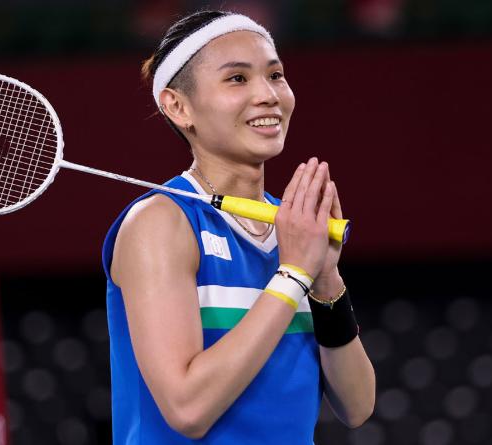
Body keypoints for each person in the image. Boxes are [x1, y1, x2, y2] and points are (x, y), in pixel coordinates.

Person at [102, 10, 375, 444]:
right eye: (237, 79)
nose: (268, 95)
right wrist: (293, 276)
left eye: (276, 75)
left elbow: (358, 407)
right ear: (178, 106)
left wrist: (325, 281)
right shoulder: (161, 223)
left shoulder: (293, 228)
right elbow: (187, 408)